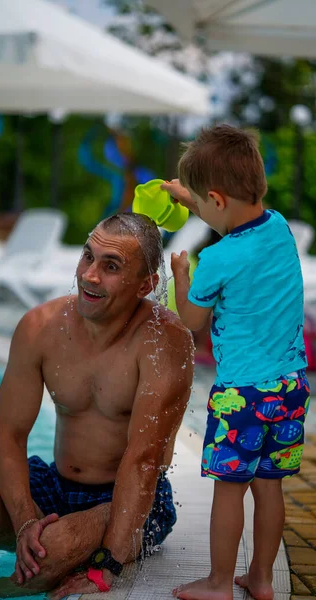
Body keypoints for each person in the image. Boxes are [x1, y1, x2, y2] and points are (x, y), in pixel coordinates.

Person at [0, 213, 194, 598]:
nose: (89, 276)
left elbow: (144, 459)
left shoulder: (164, 341)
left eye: (111, 266)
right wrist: (26, 519)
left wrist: (109, 562)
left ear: (146, 284)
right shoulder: (40, 326)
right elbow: (9, 435)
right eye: (87, 256)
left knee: (46, 559)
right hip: (54, 482)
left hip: (129, 498)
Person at [162, 125, 310, 600]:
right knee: (269, 487)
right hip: (289, 388)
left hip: (241, 395)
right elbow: (222, 204)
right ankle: (263, 579)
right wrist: (186, 197)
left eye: (202, 206)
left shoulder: (218, 258)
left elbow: (191, 322)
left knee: (229, 490)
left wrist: (182, 274)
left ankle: (219, 583)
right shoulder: (281, 227)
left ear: (217, 201)